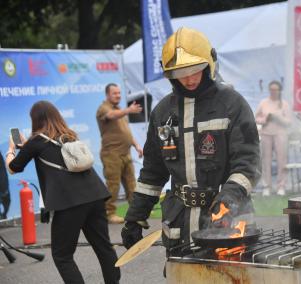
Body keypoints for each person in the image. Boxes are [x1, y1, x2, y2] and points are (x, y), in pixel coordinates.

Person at [121, 27, 260, 263]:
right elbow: (153, 173)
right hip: (179, 226)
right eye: (180, 72)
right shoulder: (163, 112)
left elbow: (248, 165)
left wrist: (227, 200)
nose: (189, 78)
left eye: (195, 69)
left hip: (227, 222)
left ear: (209, 63)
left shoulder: (232, 104)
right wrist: (134, 217)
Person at [5, 101, 120, 284]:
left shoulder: (36, 142)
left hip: (69, 203)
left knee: (62, 256)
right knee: (104, 248)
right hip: (95, 196)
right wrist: (28, 146)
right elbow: (46, 150)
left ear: (36, 119)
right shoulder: (69, 136)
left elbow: (14, 167)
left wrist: (11, 150)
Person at [96, 83, 144, 224]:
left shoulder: (120, 110)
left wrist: (136, 145)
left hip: (126, 154)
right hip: (112, 155)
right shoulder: (103, 108)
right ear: (107, 95)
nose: (118, 95)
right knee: (113, 185)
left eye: (119, 93)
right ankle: (109, 214)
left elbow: (126, 133)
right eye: (114, 93)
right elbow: (111, 115)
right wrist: (128, 110)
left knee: (131, 184)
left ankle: (135, 213)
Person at [255, 80, 291, 196]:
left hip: (280, 134)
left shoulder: (284, 104)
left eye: (276, 90)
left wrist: (278, 118)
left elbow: (289, 122)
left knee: (282, 161)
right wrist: (265, 119)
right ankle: (267, 186)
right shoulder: (263, 103)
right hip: (266, 134)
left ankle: (281, 186)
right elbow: (256, 118)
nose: (273, 92)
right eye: (271, 89)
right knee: (266, 161)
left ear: (279, 90)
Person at [0, 151, 11, 219]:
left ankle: (3, 215)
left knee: (7, 200)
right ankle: (3, 215)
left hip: (3, 183)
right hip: (3, 184)